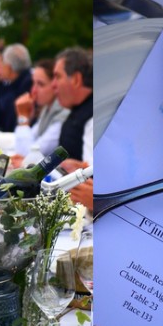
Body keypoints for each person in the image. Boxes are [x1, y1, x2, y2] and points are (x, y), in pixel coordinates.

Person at [55, 46, 93, 210]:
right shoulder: (77, 111)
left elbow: (91, 186)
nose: (53, 85)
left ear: (76, 79)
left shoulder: (92, 115)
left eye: (57, 77)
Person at [12, 59, 70, 160]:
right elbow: (24, 146)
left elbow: (30, 154)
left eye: (40, 84)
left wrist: (23, 118)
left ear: (55, 85)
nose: (33, 90)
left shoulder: (64, 113)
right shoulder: (47, 109)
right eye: (33, 83)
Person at [0, 43, 33, 132]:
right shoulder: (20, 81)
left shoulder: (25, 85)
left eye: (2, 63)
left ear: (8, 67)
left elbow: (0, 121)